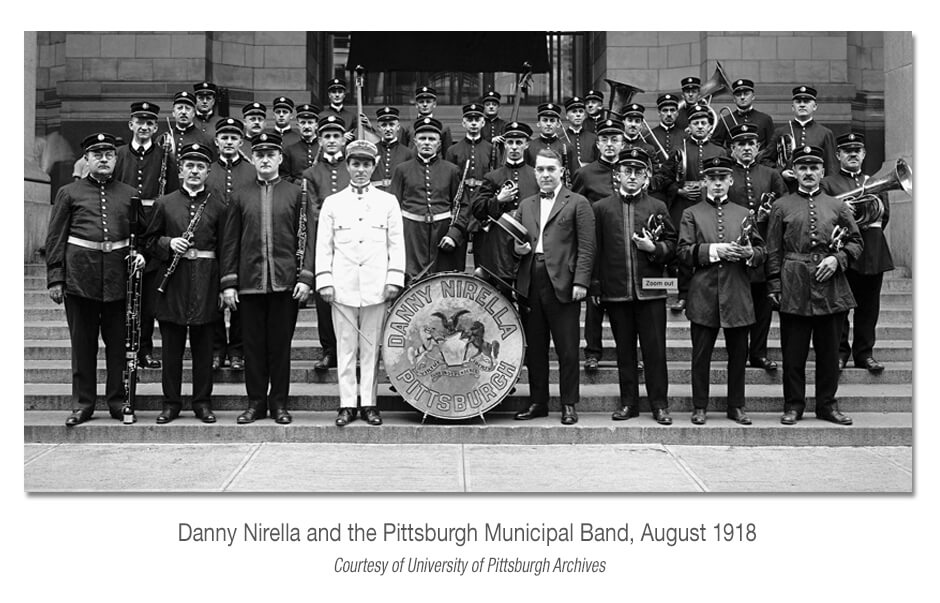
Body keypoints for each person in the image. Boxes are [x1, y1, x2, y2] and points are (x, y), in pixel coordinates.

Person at [46, 133, 146, 426]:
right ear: (86, 159)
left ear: (116, 159)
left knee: (119, 347)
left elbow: (140, 235)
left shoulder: (130, 193)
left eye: (109, 155)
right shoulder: (69, 193)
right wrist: (56, 278)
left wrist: (140, 256)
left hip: (119, 282)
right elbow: (56, 238)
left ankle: (118, 402)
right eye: (97, 154)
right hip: (81, 280)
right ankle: (83, 405)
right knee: (83, 346)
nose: (104, 159)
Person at [221, 132, 315, 424]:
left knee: (279, 349)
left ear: (279, 159)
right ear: (253, 159)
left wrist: (306, 277)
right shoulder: (239, 196)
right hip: (249, 284)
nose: (264, 159)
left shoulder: (296, 193)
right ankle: (255, 403)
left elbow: (309, 238)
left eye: (270, 154)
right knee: (252, 349)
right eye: (259, 154)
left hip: (285, 283)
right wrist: (228, 283)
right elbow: (230, 242)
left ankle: (279, 405)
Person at [766, 145, 863, 426]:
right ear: (794, 172)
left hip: (831, 286)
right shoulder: (781, 206)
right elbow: (773, 249)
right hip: (793, 284)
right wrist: (774, 284)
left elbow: (856, 242)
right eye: (803, 168)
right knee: (793, 354)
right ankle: (794, 405)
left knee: (829, 354)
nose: (808, 173)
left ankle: (827, 406)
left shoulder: (837, 205)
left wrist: (837, 259)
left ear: (822, 171)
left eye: (813, 168)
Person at [316, 139, 406, 427]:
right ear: (347, 166)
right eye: (355, 164)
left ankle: (368, 403)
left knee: (371, 347)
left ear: (373, 166)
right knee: (345, 348)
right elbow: (324, 246)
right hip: (342, 286)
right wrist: (325, 281)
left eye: (366, 164)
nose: (360, 170)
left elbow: (396, 243)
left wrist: (394, 278)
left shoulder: (387, 201)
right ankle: (346, 404)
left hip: (376, 286)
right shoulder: (333, 202)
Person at [591, 147, 676, 425]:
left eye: (638, 171)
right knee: (624, 352)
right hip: (617, 291)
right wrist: (595, 287)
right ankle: (629, 403)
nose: (632, 176)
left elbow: (673, 246)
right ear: (617, 175)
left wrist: (655, 248)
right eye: (627, 170)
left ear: (647, 176)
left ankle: (659, 405)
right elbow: (595, 250)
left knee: (655, 351)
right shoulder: (602, 208)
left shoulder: (657, 207)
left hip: (652, 290)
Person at [678, 155, 765, 425]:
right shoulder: (691, 213)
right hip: (703, 294)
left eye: (722, 179)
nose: (717, 184)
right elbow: (682, 252)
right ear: (704, 182)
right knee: (700, 356)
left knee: (738, 356)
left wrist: (751, 253)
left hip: (737, 293)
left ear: (731, 181)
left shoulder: (745, 213)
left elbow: (762, 251)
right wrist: (716, 250)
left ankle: (736, 406)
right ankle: (700, 406)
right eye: (711, 179)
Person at [143, 143, 226, 424]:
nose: (194, 171)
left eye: (200, 166)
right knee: (171, 350)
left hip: (206, 282)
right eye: (189, 165)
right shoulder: (164, 203)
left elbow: (226, 248)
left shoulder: (218, 205)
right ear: (180, 171)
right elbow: (149, 241)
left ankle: (202, 403)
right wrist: (169, 242)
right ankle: (171, 403)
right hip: (172, 285)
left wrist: (224, 286)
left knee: (204, 351)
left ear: (208, 172)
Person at [512, 149, 595, 425]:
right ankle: (538, 402)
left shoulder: (578, 202)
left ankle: (569, 403)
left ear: (561, 171)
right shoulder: (525, 204)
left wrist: (581, 281)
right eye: (540, 170)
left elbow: (587, 247)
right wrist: (517, 248)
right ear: (534, 172)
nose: (545, 175)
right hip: (531, 282)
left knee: (567, 349)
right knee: (535, 348)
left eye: (550, 169)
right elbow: (515, 244)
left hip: (563, 283)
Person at [821, 132, 894, 373]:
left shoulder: (874, 183)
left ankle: (864, 354)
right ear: (839, 155)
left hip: (872, 252)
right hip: (842, 253)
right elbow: (821, 217)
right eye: (847, 151)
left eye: (857, 150)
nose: (853, 154)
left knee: (869, 308)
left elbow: (883, 217)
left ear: (863, 154)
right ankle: (840, 353)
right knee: (841, 306)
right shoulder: (828, 184)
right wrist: (841, 211)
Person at [114, 101, 175, 370]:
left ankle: (145, 350)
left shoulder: (165, 158)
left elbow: (172, 196)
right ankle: (124, 348)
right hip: (123, 231)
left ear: (155, 127)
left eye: (150, 123)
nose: (145, 127)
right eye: (140, 122)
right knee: (125, 297)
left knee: (148, 300)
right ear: (131, 125)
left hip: (152, 233)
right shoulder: (118, 156)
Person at [726, 123, 788, 372]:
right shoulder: (726, 173)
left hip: (765, 245)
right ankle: (738, 352)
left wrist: (769, 215)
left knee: (763, 304)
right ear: (733, 149)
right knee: (738, 304)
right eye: (741, 144)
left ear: (758, 147)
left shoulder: (771, 174)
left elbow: (784, 207)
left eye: (751, 144)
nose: (746, 148)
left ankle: (759, 352)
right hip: (736, 246)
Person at [570, 116, 625, 373]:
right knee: (594, 300)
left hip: (625, 245)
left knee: (626, 303)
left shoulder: (630, 170)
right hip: (596, 244)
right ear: (598, 143)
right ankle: (592, 352)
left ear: (623, 143)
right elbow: (575, 208)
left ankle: (627, 351)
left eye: (615, 139)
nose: (610, 144)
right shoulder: (585, 173)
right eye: (604, 139)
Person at [663, 103, 727, 314]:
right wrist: (679, 191)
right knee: (684, 249)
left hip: (710, 206)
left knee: (709, 245)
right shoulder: (679, 149)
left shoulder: (719, 150)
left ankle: (710, 293)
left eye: (703, 123)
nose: (700, 126)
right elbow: (665, 179)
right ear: (689, 126)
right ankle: (682, 294)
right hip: (684, 205)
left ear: (710, 126)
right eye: (695, 123)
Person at [390, 116, 467, 283]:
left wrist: (454, 234)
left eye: (431, 139)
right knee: (411, 280)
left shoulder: (452, 170)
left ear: (439, 144)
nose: (427, 143)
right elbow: (392, 207)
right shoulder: (402, 170)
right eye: (422, 138)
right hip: (411, 234)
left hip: (442, 232)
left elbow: (463, 205)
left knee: (443, 281)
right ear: (415, 142)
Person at [302, 115, 350, 371]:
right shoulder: (310, 173)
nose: (332, 141)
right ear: (320, 140)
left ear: (343, 140)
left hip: (352, 243)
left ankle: (350, 350)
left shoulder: (352, 168)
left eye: (336, 136)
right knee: (324, 300)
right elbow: (312, 209)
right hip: (324, 242)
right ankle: (328, 350)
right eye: (327, 137)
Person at [205, 117, 254, 371]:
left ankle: (237, 350)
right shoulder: (208, 170)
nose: (229, 142)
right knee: (214, 295)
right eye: (224, 137)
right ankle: (216, 349)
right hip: (212, 239)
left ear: (241, 142)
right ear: (216, 141)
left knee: (240, 298)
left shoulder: (252, 171)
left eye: (234, 138)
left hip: (243, 240)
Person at [473, 121, 539, 298]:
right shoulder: (493, 176)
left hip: (528, 242)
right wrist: (498, 200)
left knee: (528, 297)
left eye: (519, 142)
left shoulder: (536, 176)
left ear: (527, 144)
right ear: (505, 145)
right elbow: (478, 210)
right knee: (502, 297)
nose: (514, 147)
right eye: (510, 142)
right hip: (499, 246)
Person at [765, 86, 838, 193]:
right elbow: (764, 160)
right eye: (798, 102)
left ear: (815, 106)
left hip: (816, 191)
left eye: (807, 101)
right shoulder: (781, 132)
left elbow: (831, 167)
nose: (802, 104)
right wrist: (781, 172)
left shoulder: (825, 133)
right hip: (787, 190)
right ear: (792, 107)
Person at [446, 103, 493, 262]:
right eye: (469, 119)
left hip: (482, 205)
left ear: (483, 122)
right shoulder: (453, 150)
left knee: (484, 258)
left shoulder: (492, 149)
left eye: (477, 119)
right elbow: (450, 181)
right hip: (461, 205)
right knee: (456, 256)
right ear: (463, 123)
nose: (473, 123)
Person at [711, 78, 775, 151]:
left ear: (753, 96)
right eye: (738, 95)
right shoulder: (726, 120)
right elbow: (714, 145)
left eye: (746, 94)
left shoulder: (765, 119)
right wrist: (729, 154)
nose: (742, 97)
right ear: (734, 99)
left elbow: (772, 147)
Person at [525, 102, 578, 179]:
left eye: (552, 120)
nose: (548, 124)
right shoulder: (529, 147)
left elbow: (574, 175)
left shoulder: (567, 147)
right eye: (545, 120)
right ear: (538, 123)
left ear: (558, 124)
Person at [371, 106, 413, 192]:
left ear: (398, 127)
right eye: (384, 125)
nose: (388, 129)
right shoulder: (372, 151)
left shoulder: (407, 153)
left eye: (391, 124)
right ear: (378, 128)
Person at [165, 91, 212, 166]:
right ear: (173, 112)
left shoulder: (206, 140)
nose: (183, 112)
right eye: (180, 108)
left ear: (193, 113)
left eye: (187, 108)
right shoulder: (163, 139)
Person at [401, 85, 453, 152]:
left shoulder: (443, 128)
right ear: (416, 104)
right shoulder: (407, 128)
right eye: (421, 102)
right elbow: (403, 152)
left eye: (428, 102)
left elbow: (447, 153)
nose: (425, 104)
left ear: (434, 104)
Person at [282, 103, 321, 182]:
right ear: (298, 125)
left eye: (310, 122)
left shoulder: (323, 148)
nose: (306, 127)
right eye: (303, 123)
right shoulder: (290, 150)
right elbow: (283, 176)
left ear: (316, 125)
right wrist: (296, 182)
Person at [563, 96, 597, 168]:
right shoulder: (561, 138)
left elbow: (599, 162)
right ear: (566, 116)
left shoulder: (593, 138)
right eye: (574, 111)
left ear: (584, 115)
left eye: (581, 111)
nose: (578, 114)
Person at [649, 94, 683, 164]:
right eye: (665, 110)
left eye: (672, 110)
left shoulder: (685, 136)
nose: (669, 114)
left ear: (677, 113)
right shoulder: (650, 135)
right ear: (659, 113)